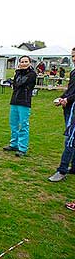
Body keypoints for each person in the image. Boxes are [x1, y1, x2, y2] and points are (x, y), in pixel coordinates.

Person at [48, 48, 75, 182]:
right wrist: (62, 98)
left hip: (73, 111)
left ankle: (62, 170)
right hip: (69, 109)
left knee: (70, 139)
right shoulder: (74, 72)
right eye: (73, 56)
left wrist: (68, 100)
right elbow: (71, 90)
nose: (74, 58)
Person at [3, 55, 36, 157]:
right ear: (19, 63)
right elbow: (16, 84)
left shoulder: (32, 74)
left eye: (26, 61)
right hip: (15, 101)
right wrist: (14, 80)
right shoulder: (18, 73)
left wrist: (13, 81)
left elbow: (20, 83)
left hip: (24, 102)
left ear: (29, 63)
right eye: (22, 62)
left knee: (23, 125)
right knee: (13, 123)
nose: (24, 63)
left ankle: (22, 148)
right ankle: (14, 144)